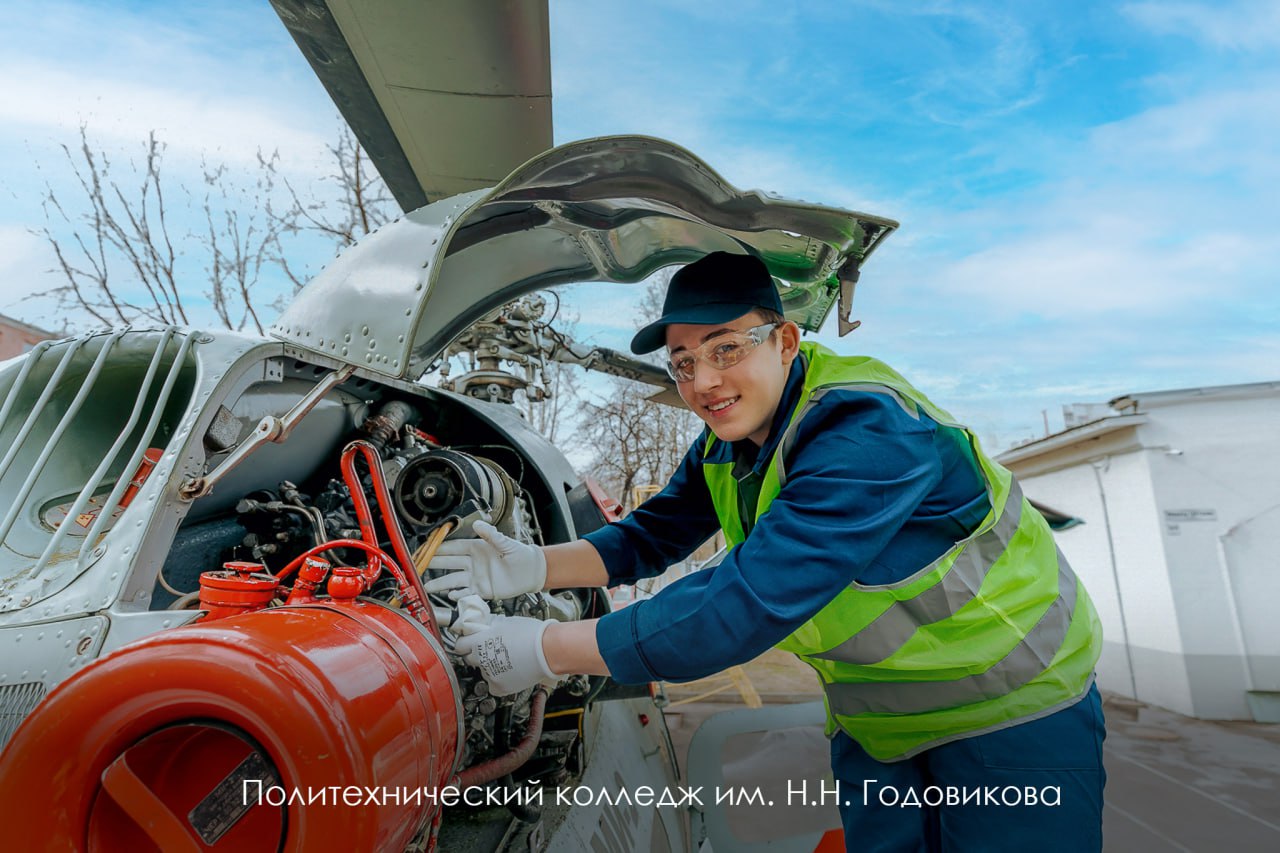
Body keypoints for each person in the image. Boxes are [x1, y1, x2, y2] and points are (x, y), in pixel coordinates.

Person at [427, 251, 1106, 851]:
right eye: (683, 363)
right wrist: (537, 565)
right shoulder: (730, 442)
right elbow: (652, 533)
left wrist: (544, 649)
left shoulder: (868, 430)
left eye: (725, 349)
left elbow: (743, 604)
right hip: (878, 725)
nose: (702, 382)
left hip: (1010, 711)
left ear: (784, 341)